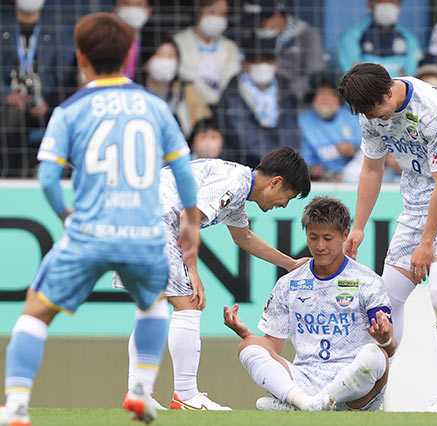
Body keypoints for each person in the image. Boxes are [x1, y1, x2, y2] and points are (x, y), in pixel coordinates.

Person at [0, 12, 200, 426]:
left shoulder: (70, 110)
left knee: (36, 312)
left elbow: (48, 178)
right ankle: (141, 392)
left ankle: (16, 405)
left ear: (80, 57)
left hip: (90, 231)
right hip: (144, 234)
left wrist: (65, 214)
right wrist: (191, 223)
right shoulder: (154, 107)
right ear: (128, 56)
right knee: (152, 303)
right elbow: (183, 169)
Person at [113, 147, 311, 411]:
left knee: (152, 308)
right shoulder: (234, 182)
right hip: (154, 222)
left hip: (129, 218)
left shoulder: (236, 189)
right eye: (289, 197)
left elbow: (244, 238)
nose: (284, 204)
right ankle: (186, 396)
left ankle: (138, 393)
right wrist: (192, 271)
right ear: (276, 182)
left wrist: (291, 264)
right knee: (189, 304)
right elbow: (189, 216)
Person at [338, 62, 437, 412]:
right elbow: (372, 168)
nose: (373, 119)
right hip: (417, 200)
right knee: (385, 302)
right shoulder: (370, 111)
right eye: (366, 114)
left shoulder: (434, 112)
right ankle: (372, 395)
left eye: (375, 111)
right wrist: (358, 226)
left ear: (389, 92)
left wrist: (426, 243)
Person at [223, 197, 395, 411]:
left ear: (345, 234)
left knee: (376, 356)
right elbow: (272, 346)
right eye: (313, 237)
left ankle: (307, 404)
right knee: (248, 348)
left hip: (354, 389)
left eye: (328, 238)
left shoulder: (367, 281)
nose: (320, 246)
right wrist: (246, 334)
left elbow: (389, 348)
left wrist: (385, 339)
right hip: (305, 380)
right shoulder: (288, 283)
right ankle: (306, 403)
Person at [0, 0, 75, 177]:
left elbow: (65, 78)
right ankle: (12, 174)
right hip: (9, 107)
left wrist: (48, 102)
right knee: (10, 116)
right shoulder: (3, 25)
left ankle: (56, 172)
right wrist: (6, 95)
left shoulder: (59, 30)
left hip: (48, 105)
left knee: (63, 116)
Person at [217, 36, 299, 168]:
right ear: (244, 65)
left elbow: (291, 131)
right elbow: (242, 137)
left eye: (267, 61)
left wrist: (286, 162)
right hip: (244, 164)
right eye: (256, 61)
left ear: (276, 64)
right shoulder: (231, 94)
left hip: (284, 165)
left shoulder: (287, 89)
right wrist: (277, 161)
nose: (262, 66)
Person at [243, 0, 325, 102]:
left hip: (291, 97)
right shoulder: (255, 37)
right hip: (260, 94)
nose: (262, 27)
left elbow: (315, 75)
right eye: (259, 25)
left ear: (277, 15)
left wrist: (278, 66)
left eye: (263, 22)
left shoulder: (308, 34)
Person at [173, 0, 241, 109]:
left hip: (225, 108)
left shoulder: (231, 47)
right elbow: (187, 76)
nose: (217, 18)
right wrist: (211, 98)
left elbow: (230, 79)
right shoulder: (178, 42)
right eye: (212, 12)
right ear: (198, 12)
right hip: (188, 108)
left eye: (223, 14)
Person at [298, 72, 361, 181]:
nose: (325, 99)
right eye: (321, 94)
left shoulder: (351, 116)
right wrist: (323, 173)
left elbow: (367, 150)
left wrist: (352, 150)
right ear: (313, 99)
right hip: (321, 180)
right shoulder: (304, 121)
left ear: (339, 99)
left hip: (355, 176)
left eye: (331, 95)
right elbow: (303, 163)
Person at [338, 0, 422, 77]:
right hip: (365, 87)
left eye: (392, 1)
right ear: (370, 4)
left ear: (399, 5)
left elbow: (409, 75)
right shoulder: (352, 36)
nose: (387, 6)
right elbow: (351, 75)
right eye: (382, 1)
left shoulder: (409, 38)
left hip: (398, 87)